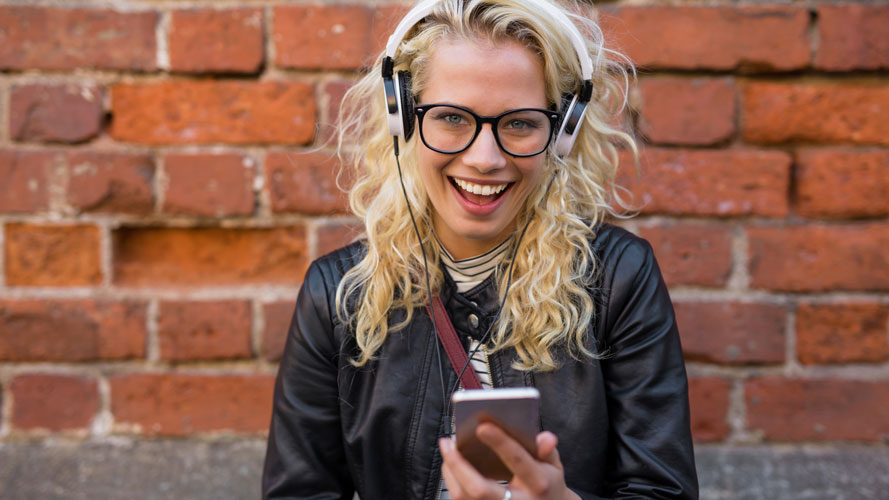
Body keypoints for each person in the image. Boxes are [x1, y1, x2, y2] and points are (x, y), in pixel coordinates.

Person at [262, 0, 698, 498]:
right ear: (402, 117)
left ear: (562, 134)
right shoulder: (338, 295)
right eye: (451, 118)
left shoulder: (618, 280)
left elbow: (663, 490)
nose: (484, 158)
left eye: (519, 123)